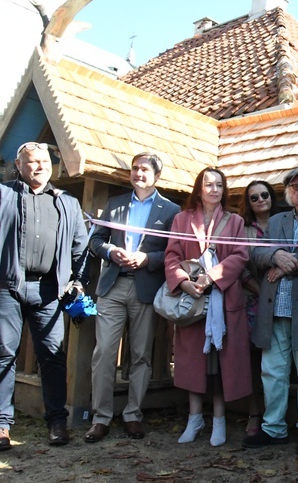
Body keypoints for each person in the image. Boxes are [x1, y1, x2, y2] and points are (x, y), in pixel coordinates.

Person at [86, 152, 180, 443]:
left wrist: (147, 258)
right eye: (135, 168)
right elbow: (95, 240)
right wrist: (110, 252)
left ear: (157, 176)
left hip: (146, 289)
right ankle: (100, 417)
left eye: (144, 169)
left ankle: (132, 414)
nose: (138, 173)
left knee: (141, 355)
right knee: (103, 353)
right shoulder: (115, 204)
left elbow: (174, 252)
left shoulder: (171, 210)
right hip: (112, 286)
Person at [0, 141, 88, 450]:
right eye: (33, 162)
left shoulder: (67, 202)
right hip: (7, 287)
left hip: (49, 291)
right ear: (19, 166)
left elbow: (80, 245)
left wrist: (77, 280)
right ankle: (1, 425)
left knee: (52, 357)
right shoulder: (3, 194)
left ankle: (57, 423)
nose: (40, 166)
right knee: (3, 354)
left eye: (44, 162)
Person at [243, 166, 298, 457]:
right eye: (297, 186)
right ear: (289, 192)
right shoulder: (277, 220)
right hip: (274, 308)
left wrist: (288, 262)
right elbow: (256, 254)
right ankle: (273, 428)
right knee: (272, 371)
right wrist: (275, 255)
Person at [165, 167, 249, 447]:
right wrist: (182, 282)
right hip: (192, 301)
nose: (214, 189)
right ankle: (194, 418)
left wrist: (212, 276)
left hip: (224, 300)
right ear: (199, 188)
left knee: (219, 362)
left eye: (219, 185)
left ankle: (220, 420)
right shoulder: (182, 218)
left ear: (224, 190)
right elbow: (172, 255)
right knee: (191, 361)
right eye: (208, 184)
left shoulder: (234, 221)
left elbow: (240, 255)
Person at [238, 180, 279, 437]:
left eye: (265, 194)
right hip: (253, 300)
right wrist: (259, 290)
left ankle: (277, 415)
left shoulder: (284, 222)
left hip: (282, 299)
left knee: (279, 360)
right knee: (254, 360)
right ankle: (255, 412)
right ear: (249, 203)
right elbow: (239, 266)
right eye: (254, 197)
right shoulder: (242, 230)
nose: (261, 199)